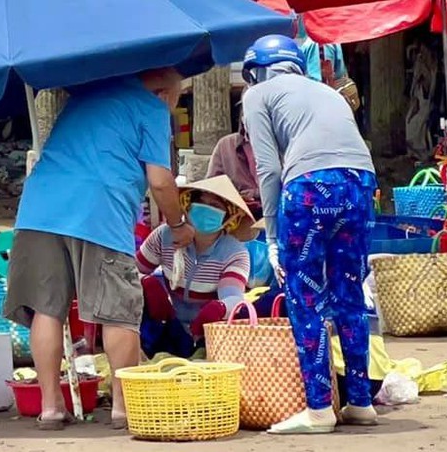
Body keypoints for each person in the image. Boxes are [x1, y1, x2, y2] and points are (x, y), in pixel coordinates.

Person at [4, 68, 187, 431]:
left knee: (47, 308)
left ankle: (51, 407)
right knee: (118, 311)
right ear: (166, 91)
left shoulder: (83, 97)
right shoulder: (152, 108)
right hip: (99, 213)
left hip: (40, 209)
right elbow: (160, 181)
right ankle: (123, 407)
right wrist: (179, 224)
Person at [239, 33, 380, 434]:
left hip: (310, 185)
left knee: (305, 296)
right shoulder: (328, 92)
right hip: (360, 180)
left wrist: (271, 236)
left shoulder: (258, 95)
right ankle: (360, 401)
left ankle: (319, 409)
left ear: (256, 70)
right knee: (349, 291)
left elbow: (268, 168)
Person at [134, 177, 257, 360]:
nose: (205, 207)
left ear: (229, 216)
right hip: (167, 327)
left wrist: (219, 308)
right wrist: (146, 282)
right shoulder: (165, 236)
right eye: (199, 201)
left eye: (215, 204)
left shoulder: (234, 253)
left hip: (210, 336)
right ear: (187, 204)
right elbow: (130, 272)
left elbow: (234, 299)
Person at [208, 85, 261, 213]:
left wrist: (256, 194)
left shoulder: (286, 145)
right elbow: (211, 190)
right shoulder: (225, 145)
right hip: (239, 219)